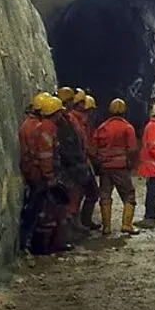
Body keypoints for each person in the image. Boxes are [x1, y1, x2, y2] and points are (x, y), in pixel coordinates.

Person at [19, 92, 64, 255]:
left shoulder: (30, 125)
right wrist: (50, 176)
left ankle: (35, 244)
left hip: (34, 172)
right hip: (38, 174)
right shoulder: (42, 128)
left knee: (39, 210)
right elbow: (45, 155)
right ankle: (38, 246)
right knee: (41, 210)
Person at [93, 98, 141, 235]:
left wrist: (99, 162)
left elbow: (94, 148)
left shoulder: (102, 127)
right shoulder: (127, 128)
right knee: (129, 195)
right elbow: (132, 149)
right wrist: (130, 163)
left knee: (105, 196)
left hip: (105, 167)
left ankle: (106, 227)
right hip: (121, 167)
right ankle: (127, 225)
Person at [50, 89, 92, 240]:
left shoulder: (68, 118)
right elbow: (67, 144)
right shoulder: (63, 121)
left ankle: (71, 230)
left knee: (73, 197)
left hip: (73, 162)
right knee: (68, 201)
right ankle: (66, 235)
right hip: (68, 165)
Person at [65, 90, 100, 231]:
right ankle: (76, 224)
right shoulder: (74, 120)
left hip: (80, 160)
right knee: (79, 194)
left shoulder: (78, 121)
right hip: (78, 162)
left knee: (83, 193)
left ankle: (81, 222)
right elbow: (82, 143)